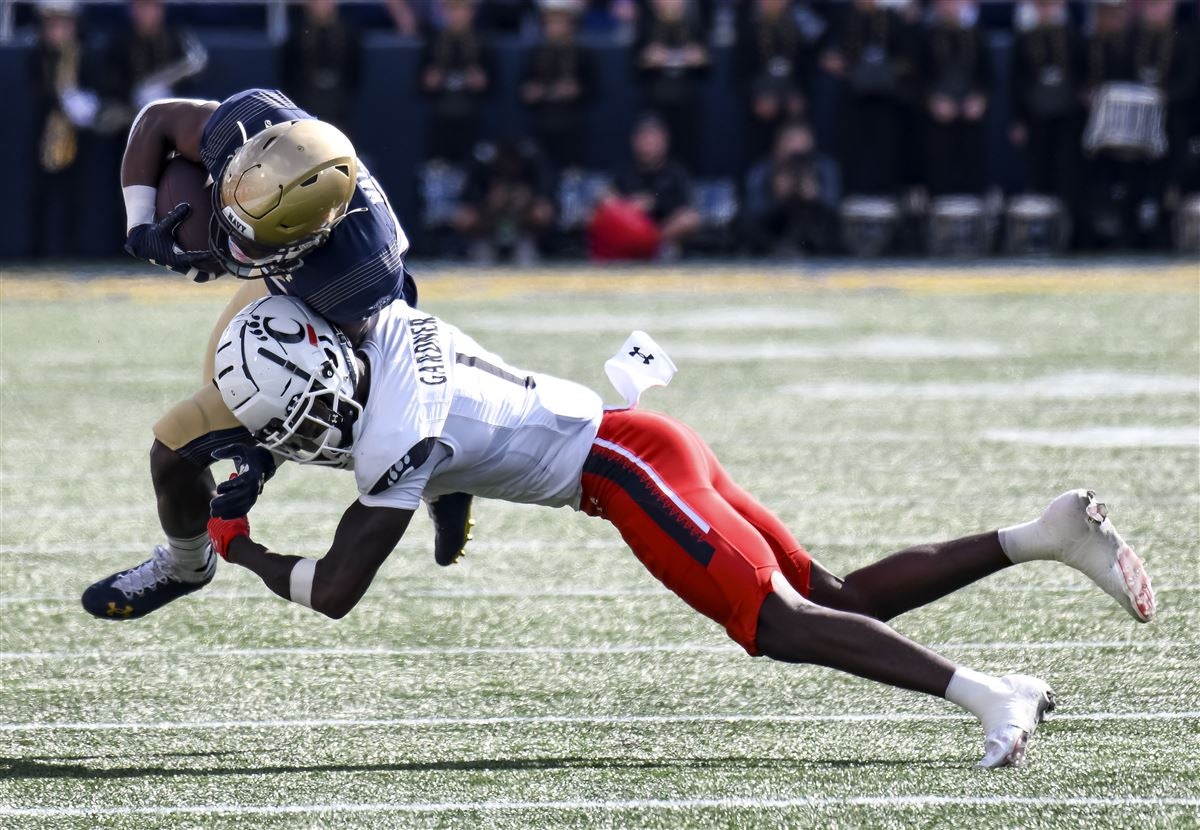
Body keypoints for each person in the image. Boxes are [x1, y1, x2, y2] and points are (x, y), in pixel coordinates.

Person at [204, 292, 1156, 769]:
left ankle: (989, 698)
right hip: (640, 435)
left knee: (779, 623)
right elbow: (429, 432)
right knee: (834, 600)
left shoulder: (390, 437)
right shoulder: (386, 320)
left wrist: (239, 545)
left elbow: (335, 591)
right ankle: (1044, 534)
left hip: (621, 470)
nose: (303, 440)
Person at [78, 87, 458, 621]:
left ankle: (437, 471)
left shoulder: (350, 278)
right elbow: (158, 119)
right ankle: (192, 562)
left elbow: (318, 389)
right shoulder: (251, 125)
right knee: (213, 386)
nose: (230, 250)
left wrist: (259, 462)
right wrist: (141, 224)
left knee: (177, 447)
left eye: (253, 246)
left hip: (352, 334)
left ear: (312, 238)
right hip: (289, 291)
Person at [819, 0, 915, 197]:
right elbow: (824, 49)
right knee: (851, 152)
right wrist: (833, 60)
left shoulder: (894, 19)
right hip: (852, 98)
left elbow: (909, 58)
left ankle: (887, 203)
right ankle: (851, 201)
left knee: (887, 152)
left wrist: (886, 72)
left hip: (887, 100)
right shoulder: (841, 16)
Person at [1009, 0, 1083, 211]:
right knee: (1038, 171)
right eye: (1041, 6)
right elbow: (1016, 83)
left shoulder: (1072, 36)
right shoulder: (1024, 39)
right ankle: (1041, 225)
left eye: (1050, 5)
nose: (1046, 10)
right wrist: (1017, 119)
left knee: (1066, 171)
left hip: (1067, 115)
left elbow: (1082, 74)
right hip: (1036, 115)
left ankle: (1067, 227)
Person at [918, 0, 991, 197]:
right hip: (938, 119)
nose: (950, 6)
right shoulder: (927, 36)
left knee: (973, 173)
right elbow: (919, 78)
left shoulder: (976, 35)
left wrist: (980, 100)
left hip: (971, 117)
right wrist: (932, 101)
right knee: (940, 174)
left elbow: (988, 77)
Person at [607, 114, 701, 258]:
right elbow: (608, 200)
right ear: (634, 141)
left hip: (662, 234)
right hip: (628, 230)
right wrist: (629, 208)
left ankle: (650, 245)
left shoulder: (676, 173)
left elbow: (687, 209)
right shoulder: (624, 171)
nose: (648, 143)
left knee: (689, 219)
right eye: (644, 138)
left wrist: (655, 203)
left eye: (653, 138)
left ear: (665, 141)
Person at [633, 0, 710, 171]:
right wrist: (645, 59)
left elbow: (707, 70)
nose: (670, 3)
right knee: (652, 153)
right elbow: (633, 70)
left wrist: (700, 59)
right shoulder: (646, 27)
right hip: (655, 100)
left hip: (687, 101)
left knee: (687, 152)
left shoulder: (694, 26)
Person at [454, 138, 558, 264]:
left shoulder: (531, 179)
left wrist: (528, 204)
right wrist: (487, 205)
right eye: (504, 161)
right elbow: (467, 217)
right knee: (481, 252)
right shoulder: (482, 179)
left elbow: (543, 215)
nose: (508, 166)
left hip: (522, 235)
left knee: (527, 253)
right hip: (487, 234)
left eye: (512, 161)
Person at [520, 0, 596, 171]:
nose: (555, 27)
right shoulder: (534, 53)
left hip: (573, 119)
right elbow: (521, 89)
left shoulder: (583, 53)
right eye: (550, 22)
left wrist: (577, 91)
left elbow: (595, 91)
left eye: (560, 21)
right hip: (541, 118)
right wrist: (530, 92)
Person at [741, 120, 838, 255]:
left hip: (816, 241)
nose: (796, 150)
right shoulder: (762, 170)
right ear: (778, 145)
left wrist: (816, 198)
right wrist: (776, 198)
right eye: (790, 142)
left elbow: (835, 208)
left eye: (801, 143)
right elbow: (751, 212)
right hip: (772, 241)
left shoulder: (824, 168)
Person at [419, 0, 493, 164]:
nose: (457, 15)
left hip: (473, 118)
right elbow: (418, 85)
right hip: (440, 119)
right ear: (443, 12)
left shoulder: (483, 43)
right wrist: (429, 82)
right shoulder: (433, 42)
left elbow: (495, 87)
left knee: (474, 164)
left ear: (471, 12)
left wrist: (482, 83)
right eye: (452, 10)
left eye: (462, 10)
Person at [738, 0, 812, 161]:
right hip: (759, 106)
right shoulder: (748, 29)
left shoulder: (800, 28)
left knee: (795, 148)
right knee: (757, 152)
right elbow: (738, 74)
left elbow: (808, 69)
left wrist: (800, 96)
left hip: (792, 105)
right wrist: (755, 99)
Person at [280, 0, 364, 129]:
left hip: (339, 102)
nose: (321, 5)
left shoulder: (348, 32)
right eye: (316, 2)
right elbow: (288, 72)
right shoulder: (297, 33)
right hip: (305, 101)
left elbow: (355, 70)